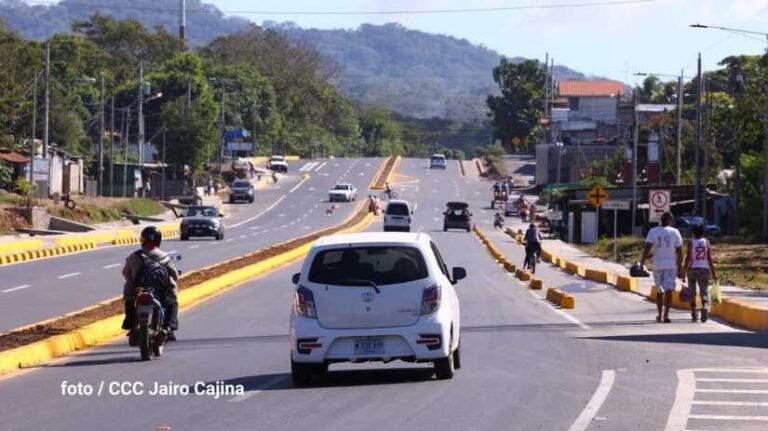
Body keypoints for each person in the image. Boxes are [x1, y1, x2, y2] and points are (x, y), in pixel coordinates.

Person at [122, 226, 180, 343]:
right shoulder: (164, 256)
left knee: (129, 300)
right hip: (159, 292)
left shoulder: (134, 256)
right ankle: (168, 327)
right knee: (172, 302)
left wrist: (134, 284)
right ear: (159, 240)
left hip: (138, 291)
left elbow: (125, 273)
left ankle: (131, 325)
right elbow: (174, 275)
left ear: (143, 240)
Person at [641, 211, 684, 323]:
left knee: (659, 291)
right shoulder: (675, 232)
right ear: (670, 220)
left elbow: (647, 248)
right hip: (671, 265)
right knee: (669, 290)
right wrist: (680, 267)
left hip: (658, 265)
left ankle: (659, 315)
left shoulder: (653, 231)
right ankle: (666, 315)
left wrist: (642, 262)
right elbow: (679, 252)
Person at [683, 224, 717, 322]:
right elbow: (709, 258)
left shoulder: (691, 242)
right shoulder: (706, 242)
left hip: (692, 269)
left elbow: (688, 257)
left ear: (693, 232)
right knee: (704, 291)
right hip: (704, 269)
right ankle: (705, 307)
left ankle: (694, 312)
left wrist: (683, 271)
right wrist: (713, 274)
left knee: (692, 292)